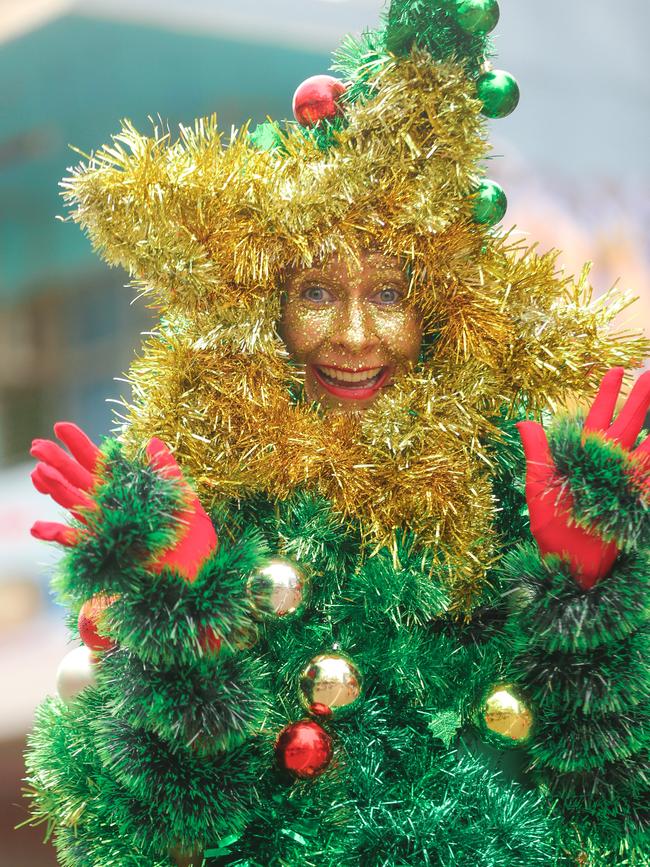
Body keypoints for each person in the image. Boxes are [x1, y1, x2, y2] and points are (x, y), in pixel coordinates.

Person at [24, 1, 649, 865]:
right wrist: (182, 624)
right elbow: (122, 836)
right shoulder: (212, 502)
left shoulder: (521, 500)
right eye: (317, 292)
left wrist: (586, 603)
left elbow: (615, 816)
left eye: (388, 294)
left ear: (441, 313)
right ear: (267, 310)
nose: (354, 338)